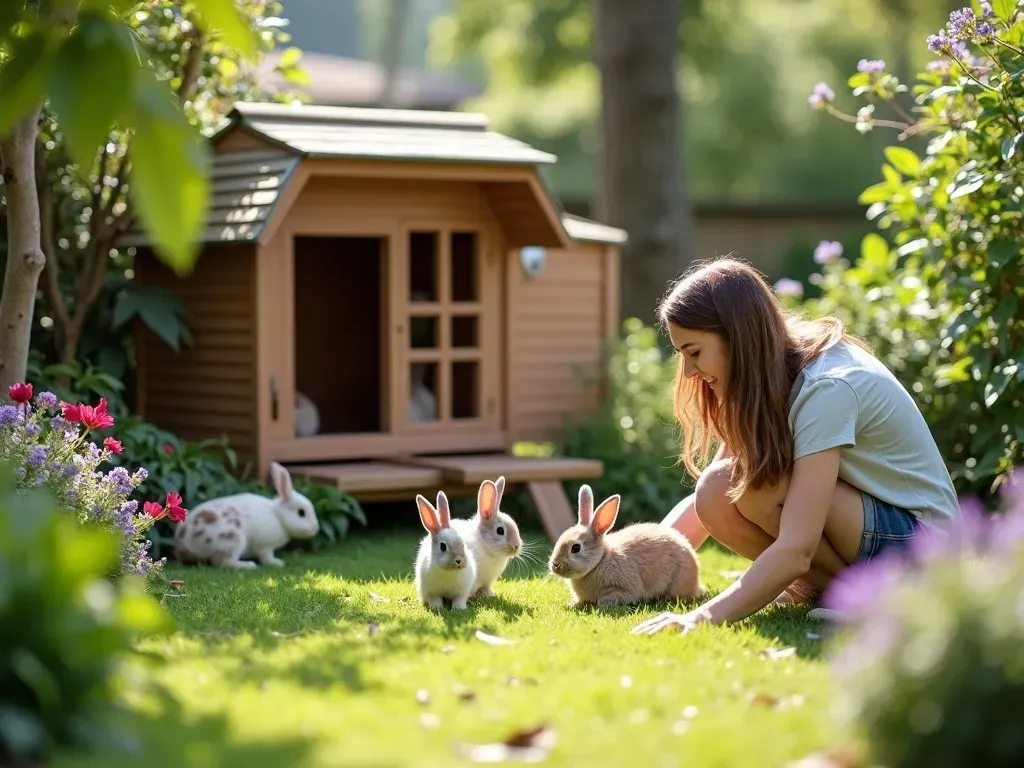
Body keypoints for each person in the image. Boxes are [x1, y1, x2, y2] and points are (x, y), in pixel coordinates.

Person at [631, 257, 959, 636]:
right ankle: (851, 594)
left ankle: (885, 596)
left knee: (755, 483)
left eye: (694, 352)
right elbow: (711, 494)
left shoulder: (826, 388)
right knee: (719, 489)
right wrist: (638, 563)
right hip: (876, 530)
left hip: (926, 547)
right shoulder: (767, 373)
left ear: (736, 337)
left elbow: (797, 545)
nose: (689, 372)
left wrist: (700, 617)